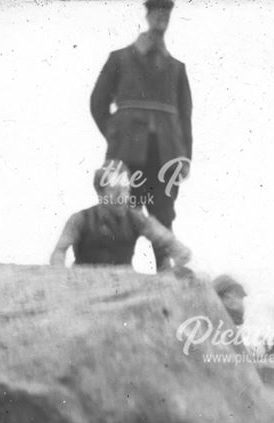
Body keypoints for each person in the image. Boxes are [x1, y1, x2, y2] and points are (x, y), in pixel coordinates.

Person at [90, 0, 192, 270]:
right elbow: (97, 103)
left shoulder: (177, 68)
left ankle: (165, 270)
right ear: (147, 15)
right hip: (126, 152)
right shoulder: (120, 59)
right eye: (157, 11)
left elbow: (185, 118)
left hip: (165, 154)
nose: (162, 17)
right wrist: (115, 134)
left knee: (163, 212)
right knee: (121, 206)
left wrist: (185, 159)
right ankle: (119, 269)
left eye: (167, 12)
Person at [50, 163, 192, 269]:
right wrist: (61, 276)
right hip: (85, 287)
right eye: (113, 190)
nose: (121, 197)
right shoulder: (80, 219)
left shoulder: (136, 218)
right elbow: (59, 252)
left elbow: (168, 241)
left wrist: (179, 255)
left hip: (121, 288)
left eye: (125, 189)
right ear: (100, 193)